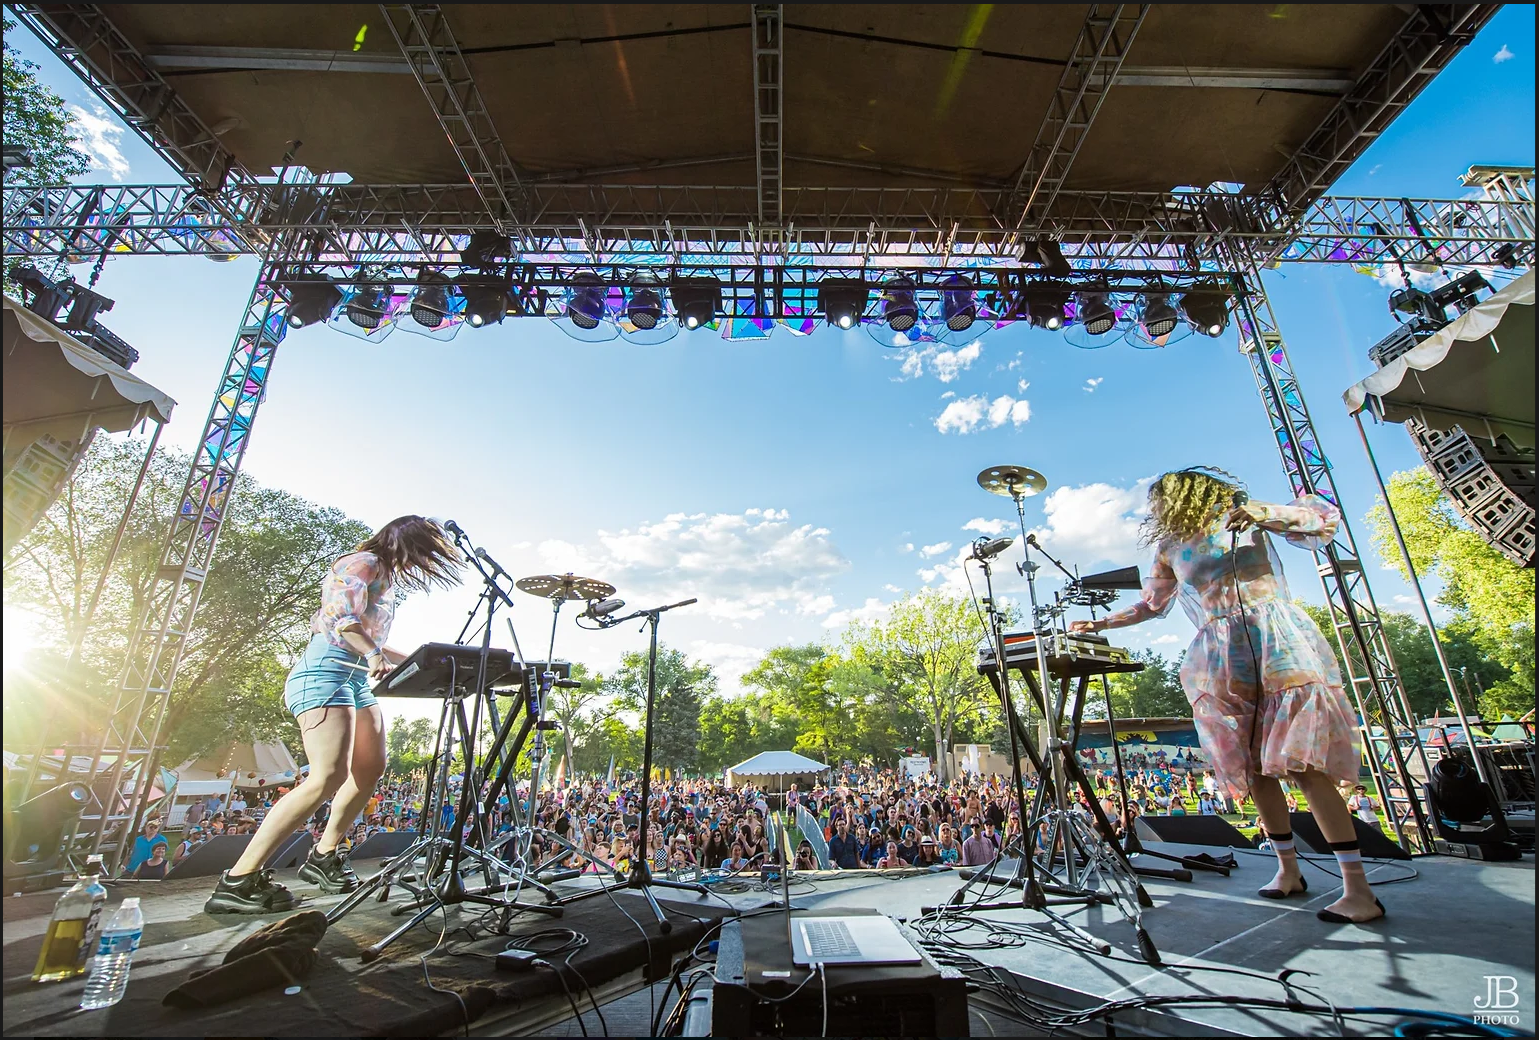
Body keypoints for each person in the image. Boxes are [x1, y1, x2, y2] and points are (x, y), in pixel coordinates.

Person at [1071, 468, 1383, 924]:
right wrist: (1100, 624)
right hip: (1221, 654)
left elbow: (1320, 520)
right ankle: (1288, 870)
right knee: (1253, 768)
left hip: (1274, 640)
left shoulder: (1247, 518)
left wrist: (1262, 513)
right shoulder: (1170, 549)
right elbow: (1151, 605)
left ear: (1188, 494)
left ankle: (1358, 890)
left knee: (1304, 766)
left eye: (1160, 499)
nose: (1155, 509)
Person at [204, 516, 463, 914]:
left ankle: (324, 857)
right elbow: (341, 620)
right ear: (405, 544)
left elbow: (375, 641)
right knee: (327, 775)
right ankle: (238, 878)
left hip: (355, 679)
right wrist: (374, 654)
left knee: (369, 768)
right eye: (422, 554)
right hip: (324, 673)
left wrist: (429, 662)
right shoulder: (362, 562)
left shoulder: (385, 579)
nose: (420, 565)